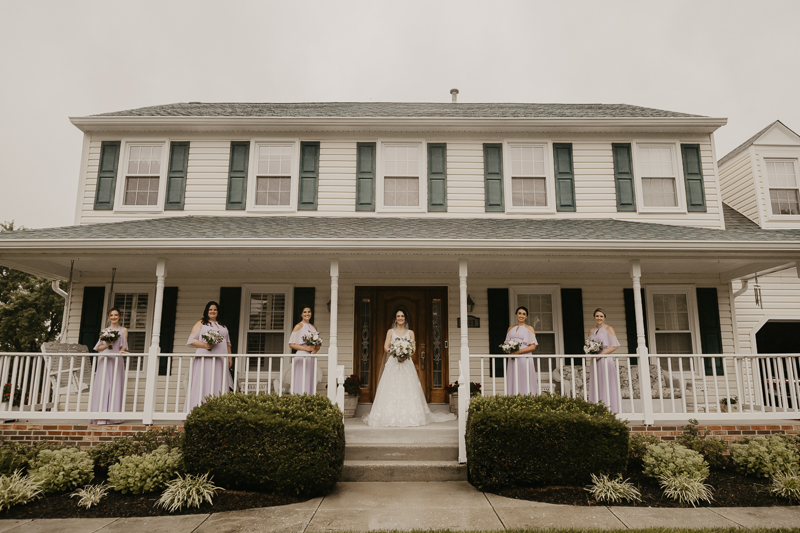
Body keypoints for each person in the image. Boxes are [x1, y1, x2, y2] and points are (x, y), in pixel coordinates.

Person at [363, 309, 456, 427]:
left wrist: (405, 355)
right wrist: (395, 353)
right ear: (395, 318)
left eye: (402, 316)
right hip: (393, 363)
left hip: (406, 363)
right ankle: (388, 416)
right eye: (398, 316)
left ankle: (410, 416)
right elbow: (386, 347)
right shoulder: (390, 332)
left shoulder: (410, 332)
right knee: (391, 387)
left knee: (407, 387)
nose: (400, 318)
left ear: (405, 318)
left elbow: (413, 349)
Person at [184, 301, 232, 411]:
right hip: (206, 358)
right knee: (204, 381)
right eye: (210, 309)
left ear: (218, 311)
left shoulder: (222, 325)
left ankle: (218, 410)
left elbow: (228, 343)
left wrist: (230, 358)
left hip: (220, 359)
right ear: (207, 311)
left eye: (215, 309)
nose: (213, 311)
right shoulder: (202, 323)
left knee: (219, 382)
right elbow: (191, 341)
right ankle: (198, 408)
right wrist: (206, 345)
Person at [90, 307, 128, 424]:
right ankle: (100, 415)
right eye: (111, 315)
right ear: (108, 317)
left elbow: (123, 347)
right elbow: (98, 348)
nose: (114, 317)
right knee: (103, 385)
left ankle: (113, 416)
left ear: (119, 317)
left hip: (116, 359)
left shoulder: (124, 330)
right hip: (105, 359)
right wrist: (108, 344)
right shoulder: (105, 330)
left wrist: (122, 351)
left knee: (116, 385)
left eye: (116, 315)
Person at [587, 308, 621, 413]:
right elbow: (588, 345)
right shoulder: (592, 330)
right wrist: (591, 352)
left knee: (607, 383)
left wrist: (601, 355)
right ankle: (596, 409)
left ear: (604, 317)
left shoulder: (608, 328)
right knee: (596, 383)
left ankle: (610, 410)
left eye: (601, 316)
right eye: (597, 316)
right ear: (594, 317)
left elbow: (614, 346)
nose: (599, 318)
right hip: (595, 360)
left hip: (605, 359)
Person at [504, 306, 539, 395]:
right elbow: (506, 343)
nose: (521, 316)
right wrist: (509, 349)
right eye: (519, 313)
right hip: (512, 358)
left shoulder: (529, 328)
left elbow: (532, 347)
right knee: (513, 377)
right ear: (516, 315)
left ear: (526, 317)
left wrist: (518, 352)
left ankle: (527, 397)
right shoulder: (510, 328)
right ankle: (513, 397)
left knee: (524, 377)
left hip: (524, 358)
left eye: (524, 314)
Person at [288, 306, 320, 394]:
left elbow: (317, 344)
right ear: (301, 314)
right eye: (305, 312)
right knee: (301, 378)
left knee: (309, 378)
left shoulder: (314, 327)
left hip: (310, 357)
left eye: (309, 312)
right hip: (301, 355)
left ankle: (309, 398)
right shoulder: (298, 326)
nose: (307, 314)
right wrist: (306, 348)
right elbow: (291, 344)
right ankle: (299, 396)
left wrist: (316, 349)